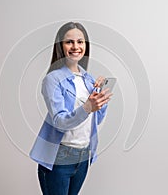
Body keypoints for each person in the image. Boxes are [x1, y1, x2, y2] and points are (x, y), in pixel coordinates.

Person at [30, 22, 113, 195]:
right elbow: (60, 121)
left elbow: (96, 119)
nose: (76, 46)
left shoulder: (88, 79)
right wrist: (88, 107)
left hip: (83, 156)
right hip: (60, 156)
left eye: (80, 42)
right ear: (60, 46)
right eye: (69, 42)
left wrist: (100, 100)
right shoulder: (52, 79)